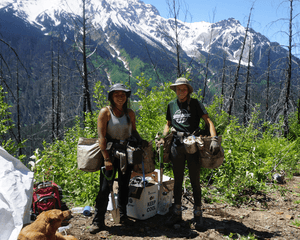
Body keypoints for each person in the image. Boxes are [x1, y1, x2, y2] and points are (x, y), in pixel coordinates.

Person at [162, 77, 220, 229]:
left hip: (192, 144)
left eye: (183, 89)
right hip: (176, 144)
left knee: (195, 179)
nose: (180, 91)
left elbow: (208, 121)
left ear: (188, 90)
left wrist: (214, 139)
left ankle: (198, 213)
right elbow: (168, 124)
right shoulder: (171, 105)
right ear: (175, 90)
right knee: (178, 179)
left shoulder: (195, 104)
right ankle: (176, 213)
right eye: (178, 89)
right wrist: (164, 137)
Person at [89, 83, 147, 234]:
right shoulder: (105, 112)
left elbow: (133, 131)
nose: (120, 98)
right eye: (117, 95)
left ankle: (123, 216)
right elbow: (101, 137)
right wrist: (106, 159)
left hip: (126, 153)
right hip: (110, 153)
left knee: (124, 185)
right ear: (111, 97)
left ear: (126, 97)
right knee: (104, 188)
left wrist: (141, 141)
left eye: (123, 95)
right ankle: (98, 221)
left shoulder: (130, 113)